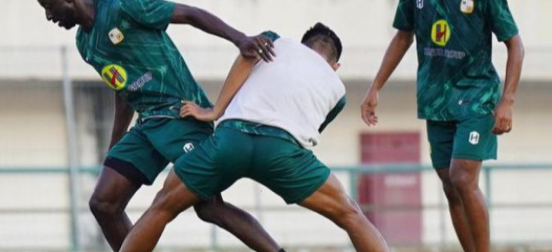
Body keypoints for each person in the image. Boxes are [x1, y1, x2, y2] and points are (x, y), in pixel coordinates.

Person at [35, 0, 284, 252]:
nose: (48, 16)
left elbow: (190, 14)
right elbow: (123, 89)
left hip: (182, 113)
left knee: (210, 207)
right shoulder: (85, 43)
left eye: (48, 6)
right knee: (103, 203)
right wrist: (115, 147)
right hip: (147, 125)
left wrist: (239, 38)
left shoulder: (124, 6)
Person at [118, 23, 391, 252]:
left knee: (163, 206)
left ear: (300, 45)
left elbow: (246, 56)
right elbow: (309, 131)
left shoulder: (278, 42)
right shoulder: (338, 92)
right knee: (350, 214)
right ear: (336, 66)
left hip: (231, 140)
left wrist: (215, 110)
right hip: (282, 152)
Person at [360, 0, 525, 252]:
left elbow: (515, 45)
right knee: (450, 185)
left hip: (477, 96)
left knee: (463, 178)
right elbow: (403, 37)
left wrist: (506, 100)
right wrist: (375, 86)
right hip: (435, 99)